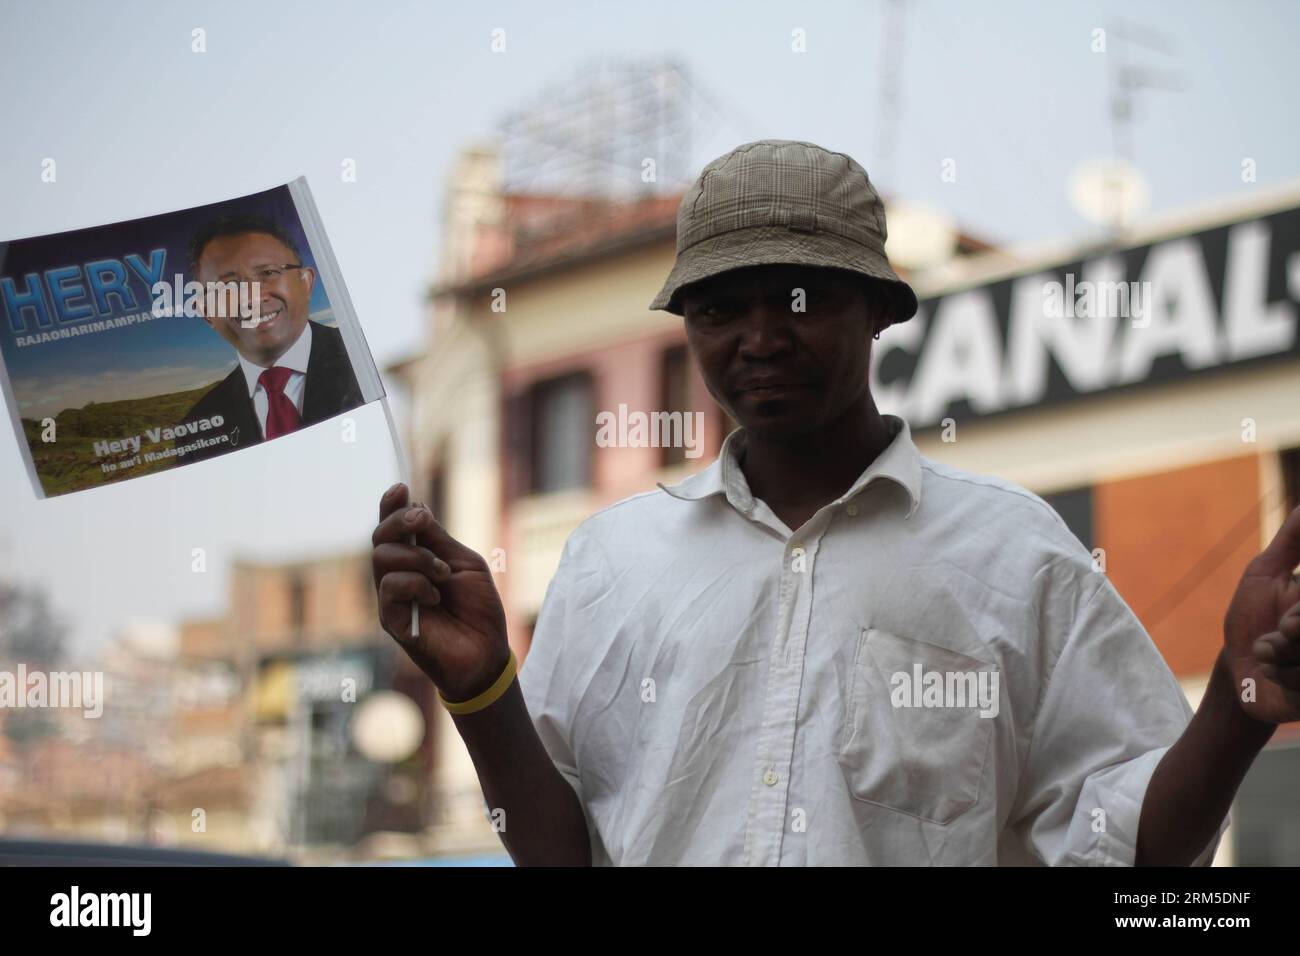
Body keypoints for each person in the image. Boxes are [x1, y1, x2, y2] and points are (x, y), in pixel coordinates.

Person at [370, 140, 1300, 866]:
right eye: (719, 307)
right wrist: (481, 684)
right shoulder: (611, 563)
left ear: (880, 310)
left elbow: (1137, 859)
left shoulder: (1014, 555)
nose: (759, 337)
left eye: (800, 299)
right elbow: (562, 856)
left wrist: (1235, 701)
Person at [177, 214, 362, 464]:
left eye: (268, 272)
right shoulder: (195, 429)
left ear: (306, 282)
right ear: (207, 312)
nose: (253, 297)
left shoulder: (365, 361)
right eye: (229, 287)